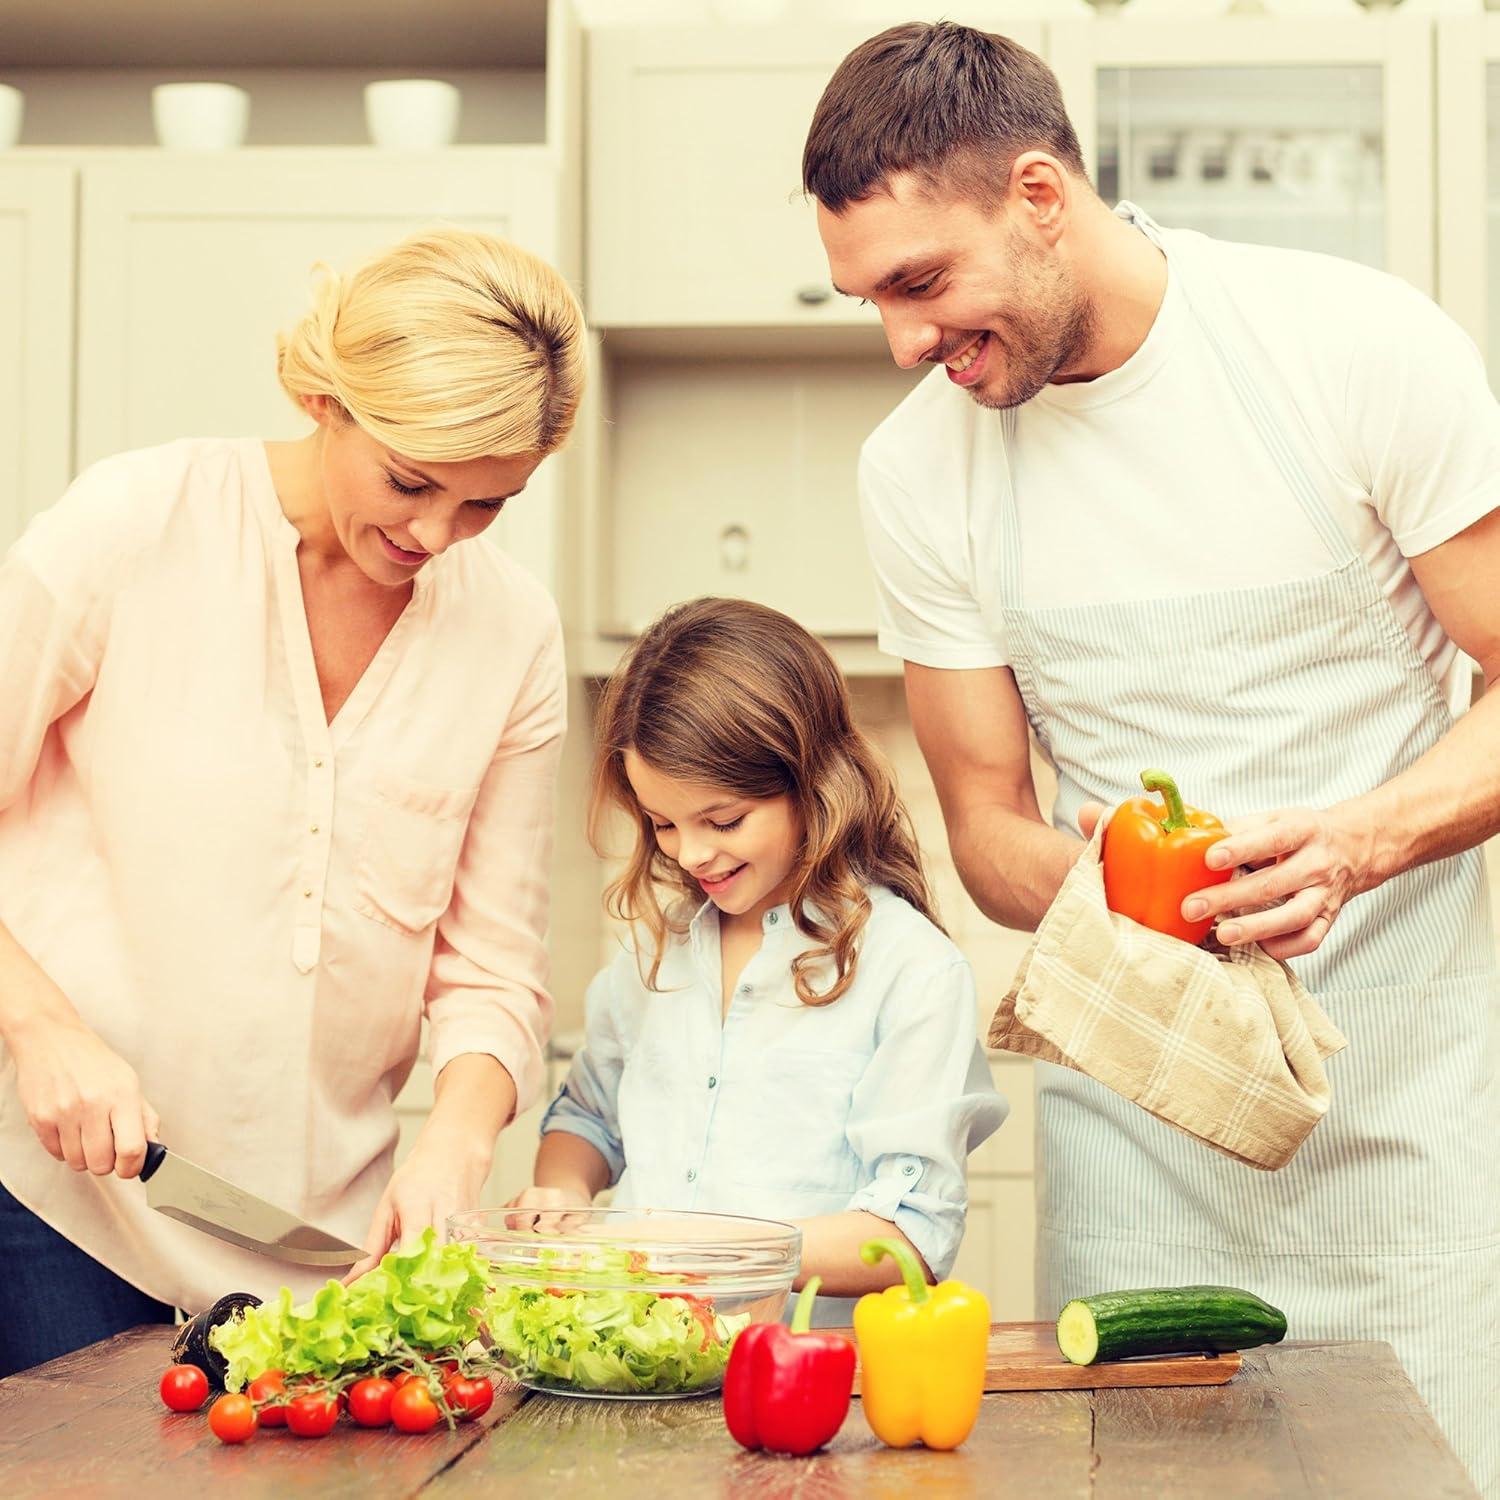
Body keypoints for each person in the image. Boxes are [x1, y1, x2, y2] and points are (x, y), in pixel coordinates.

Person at [802, 20, 1500, 1493]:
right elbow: (988, 828)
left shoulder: (1350, 347)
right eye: (870, 299)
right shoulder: (918, 472)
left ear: (1042, 197)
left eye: (922, 283)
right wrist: (1154, 884)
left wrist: (1357, 841)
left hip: (1409, 1095)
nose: (905, 343)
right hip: (1139, 1128)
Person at [0, 227, 586, 1374]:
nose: (434, 537)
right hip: (54, 1212)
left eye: (485, 507)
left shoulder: (512, 634)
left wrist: (453, 1157)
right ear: (321, 396)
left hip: (322, 1263)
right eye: (411, 481)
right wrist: (41, 1028)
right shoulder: (132, 524)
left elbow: (492, 975)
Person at [509, 597, 1005, 1317]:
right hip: (642, 1362)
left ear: (812, 781)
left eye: (724, 820)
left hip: (810, 1388)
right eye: (663, 824)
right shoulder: (653, 951)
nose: (691, 853)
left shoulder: (911, 971)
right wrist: (565, 1189)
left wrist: (700, 1248)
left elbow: (909, 1236)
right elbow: (588, 1117)